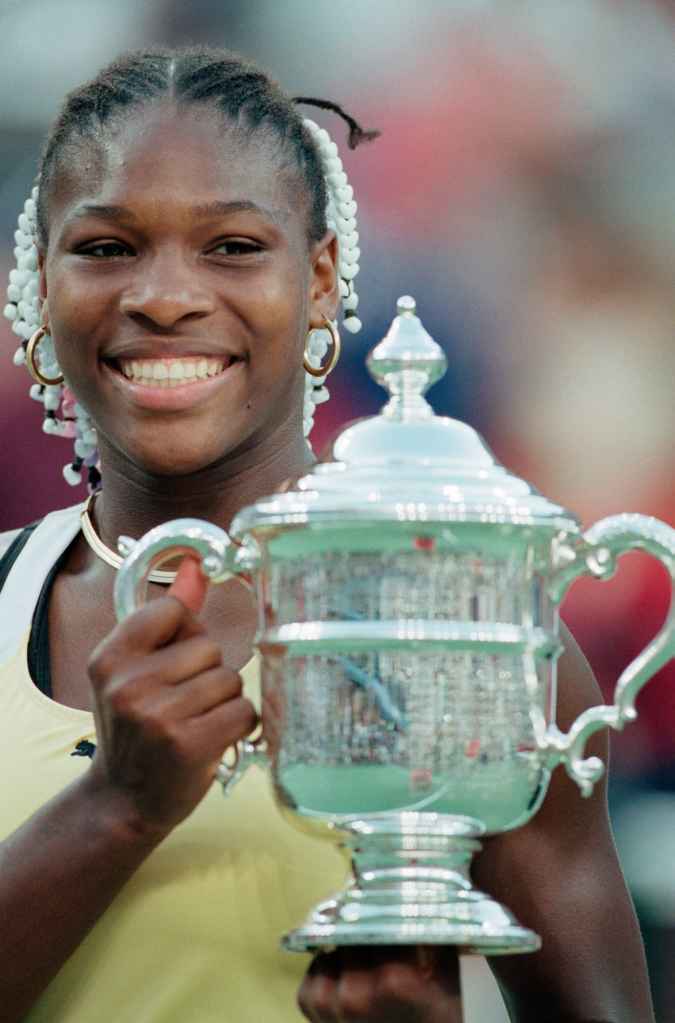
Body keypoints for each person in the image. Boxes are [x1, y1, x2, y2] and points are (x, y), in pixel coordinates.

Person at [0, 46, 654, 1023]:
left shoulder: (460, 619)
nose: (166, 296)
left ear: (318, 279)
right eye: (106, 248)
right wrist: (117, 806)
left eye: (232, 247)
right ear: (40, 285)